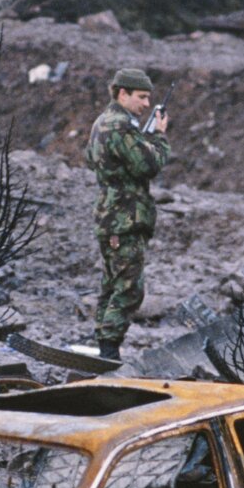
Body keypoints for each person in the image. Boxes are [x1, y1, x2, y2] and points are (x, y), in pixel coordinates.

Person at [86, 68, 171, 361]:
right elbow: (148, 165)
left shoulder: (102, 123)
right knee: (129, 289)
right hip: (124, 219)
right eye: (141, 97)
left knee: (111, 285)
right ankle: (108, 352)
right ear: (122, 93)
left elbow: (91, 160)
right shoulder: (121, 126)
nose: (146, 104)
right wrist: (158, 137)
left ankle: (103, 348)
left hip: (111, 217)